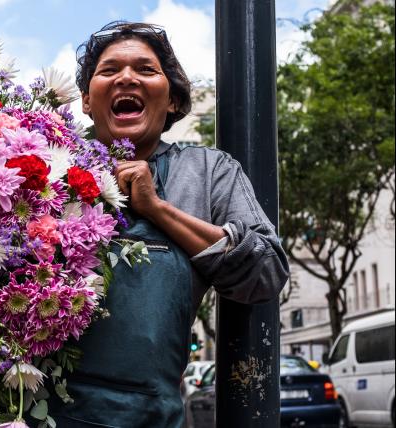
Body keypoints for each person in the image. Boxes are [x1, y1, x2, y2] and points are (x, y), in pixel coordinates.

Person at [47, 21, 289, 427]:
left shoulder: (209, 171)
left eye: (145, 69)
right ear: (87, 101)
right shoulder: (45, 169)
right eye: (109, 71)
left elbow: (267, 272)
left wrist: (157, 209)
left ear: (174, 100)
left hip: (152, 417)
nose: (126, 77)